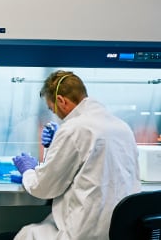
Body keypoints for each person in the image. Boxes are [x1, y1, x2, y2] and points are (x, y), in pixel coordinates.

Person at [10, 70, 141, 240]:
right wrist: (58, 142)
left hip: (85, 232)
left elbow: (43, 188)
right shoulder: (122, 126)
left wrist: (28, 171)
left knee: (26, 234)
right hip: (121, 230)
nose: (55, 114)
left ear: (60, 101)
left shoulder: (74, 129)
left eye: (52, 109)